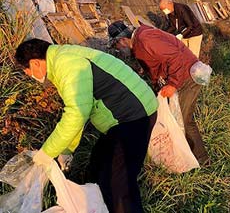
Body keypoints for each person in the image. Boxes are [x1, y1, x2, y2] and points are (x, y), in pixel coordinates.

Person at [14, 38, 158, 212]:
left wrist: (47, 152)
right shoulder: (62, 59)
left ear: (35, 63)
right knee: (97, 167)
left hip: (133, 117)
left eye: (26, 70)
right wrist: (66, 150)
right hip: (125, 116)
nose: (28, 75)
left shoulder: (66, 64)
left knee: (118, 183)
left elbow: (76, 114)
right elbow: (79, 110)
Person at [110, 21, 210, 165]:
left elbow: (176, 57)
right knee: (176, 117)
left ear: (122, 40)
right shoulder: (139, 42)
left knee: (183, 119)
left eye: (116, 46)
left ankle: (202, 160)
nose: (118, 50)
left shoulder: (145, 39)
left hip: (187, 76)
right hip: (179, 75)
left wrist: (173, 84)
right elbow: (157, 61)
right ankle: (183, 155)